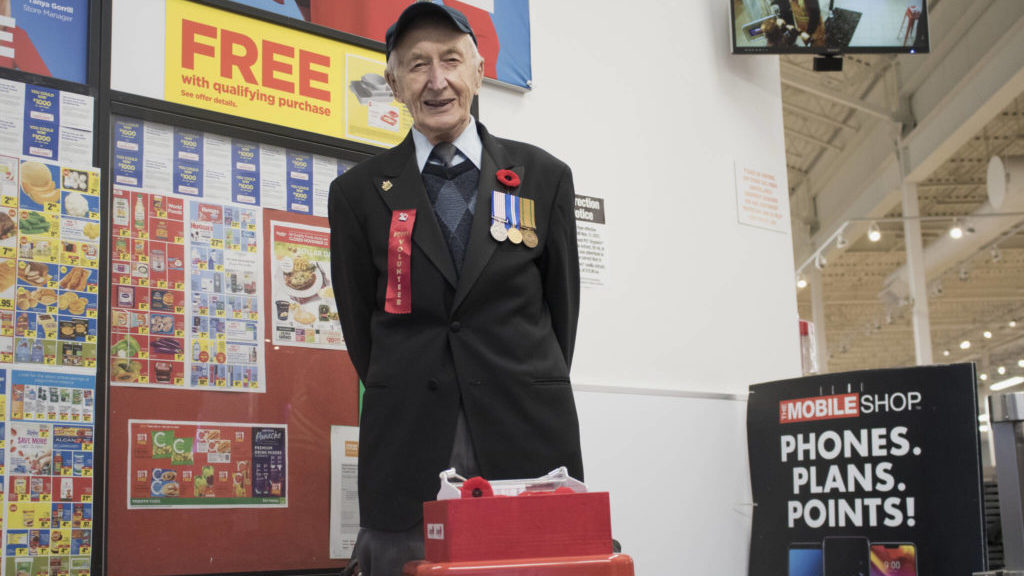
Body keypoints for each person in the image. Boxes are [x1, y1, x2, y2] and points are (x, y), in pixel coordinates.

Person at [328, 3, 583, 576]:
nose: (436, 80)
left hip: (524, 424)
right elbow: (360, 331)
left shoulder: (544, 177)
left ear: (479, 67)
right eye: (417, 66)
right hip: (410, 433)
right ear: (394, 84)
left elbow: (560, 315)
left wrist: (512, 371)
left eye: (450, 60)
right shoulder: (358, 193)